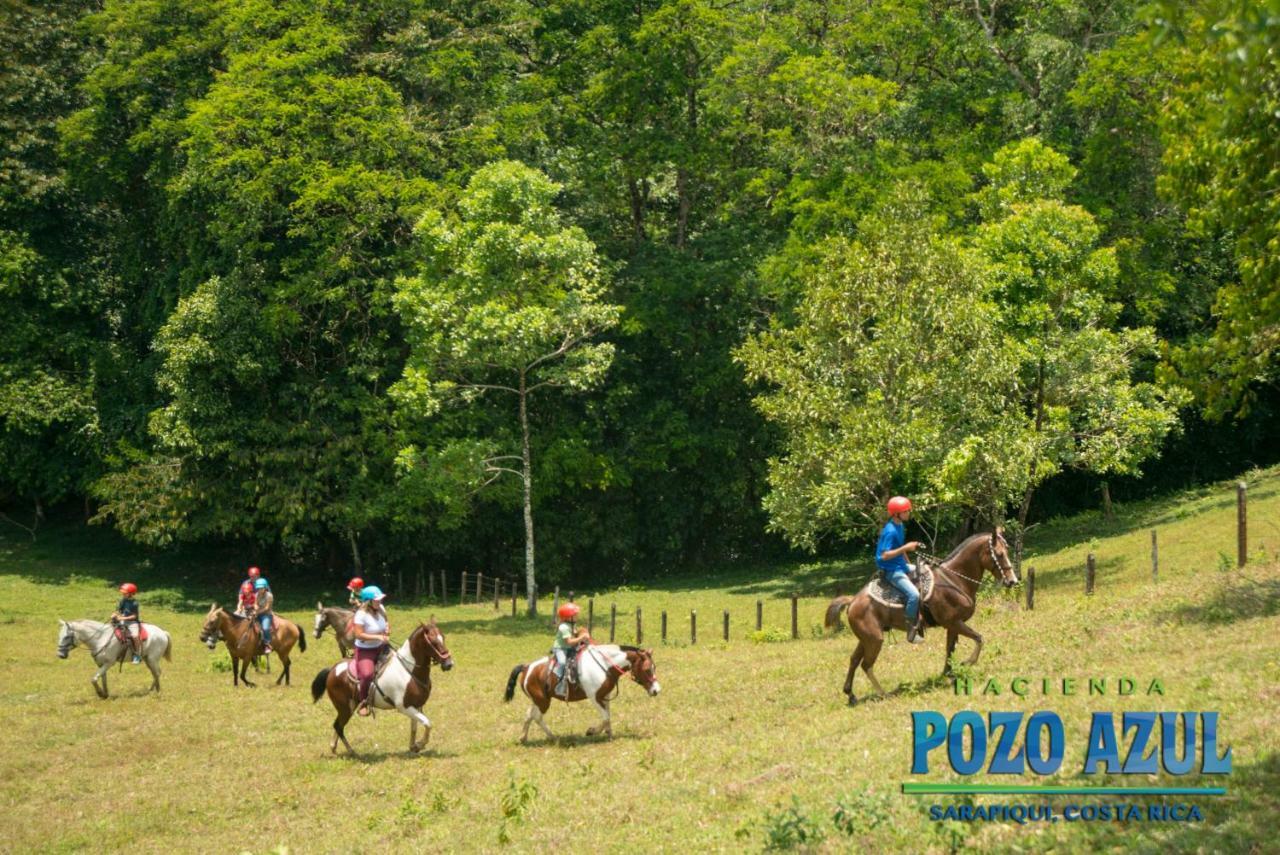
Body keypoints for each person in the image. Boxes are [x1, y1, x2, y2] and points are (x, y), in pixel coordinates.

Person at [877, 495, 925, 644]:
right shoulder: (890, 531)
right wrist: (906, 547)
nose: (908, 513)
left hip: (900, 565)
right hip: (892, 570)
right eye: (905, 511)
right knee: (914, 595)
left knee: (925, 570)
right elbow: (884, 555)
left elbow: (899, 547)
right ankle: (910, 632)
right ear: (897, 514)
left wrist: (910, 566)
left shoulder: (899, 525)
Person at [351, 586, 390, 716]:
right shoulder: (360, 615)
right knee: (367, 675)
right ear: (368, 601)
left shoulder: (381, 609)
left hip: (381, 647)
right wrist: (378, 636)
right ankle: (363, 702)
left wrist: (387, 629)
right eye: (377, 600)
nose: (379, 602)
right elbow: (359, 635)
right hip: (365, 650)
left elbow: (387, 622)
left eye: (380, 599)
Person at [551, 603, 591, 698]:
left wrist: (583, 633)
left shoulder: (572, 624)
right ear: (568, 617)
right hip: (561, 649)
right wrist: (582, 638)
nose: (577, 616)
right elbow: (569, 642)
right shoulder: (563, 627)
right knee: (562, 662)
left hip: (570, 648)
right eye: (575, 615)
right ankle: (559, 681)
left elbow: (575, 633)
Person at [112, 582, 143, 664]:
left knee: (135, 636)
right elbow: (118, 610)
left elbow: (134, 616)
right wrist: (115, 614)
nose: (123, 594)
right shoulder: (123, 600)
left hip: (132, 622)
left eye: (125, 593)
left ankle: (137, 655)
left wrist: (122, 618)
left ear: (131, 594)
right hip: (122, 621)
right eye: (123, 593)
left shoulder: (134, 603)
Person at [252, 577, 274, 654]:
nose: (259, 590)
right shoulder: (256, 594)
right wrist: (255, 607)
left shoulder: (269, 596)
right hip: (257, 613)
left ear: (265, 587)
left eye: (261, 588)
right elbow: (254, 603)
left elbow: (267, 608)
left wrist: (257, 612)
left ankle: (267, 644)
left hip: (266, 615)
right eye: (258, 588)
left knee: (265, 628)